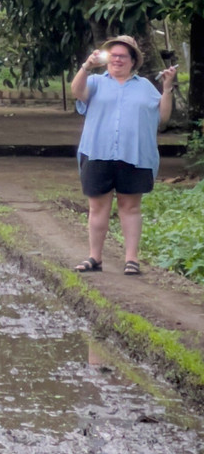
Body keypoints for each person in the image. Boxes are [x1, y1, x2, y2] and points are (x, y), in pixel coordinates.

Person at [71, 35, 177, 276]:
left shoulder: (145, 87)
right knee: (98, 208)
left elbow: (162, 116)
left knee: (130, 207)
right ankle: (94, 258)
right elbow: (77, 92)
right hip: (98, 152)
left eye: (123, 56)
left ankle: (131, 259)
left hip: (134, 155)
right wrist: (87, 67)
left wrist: (167, 87)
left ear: (132, 61)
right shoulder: (96, 81)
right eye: (113, 55)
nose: (117, 60)